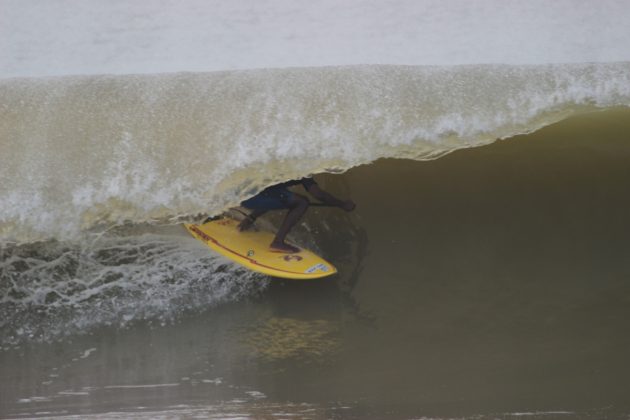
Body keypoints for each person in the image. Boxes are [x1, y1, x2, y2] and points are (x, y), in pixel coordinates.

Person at [238, 177, 355, 253]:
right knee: (302, 202)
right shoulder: (305, 168)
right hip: (254, 198)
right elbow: (319, 195)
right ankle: (278, 243)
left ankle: (249, 219)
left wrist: (252, 217)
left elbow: (271, 194)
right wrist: (342, 204)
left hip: (241, 193)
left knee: (278, 193)